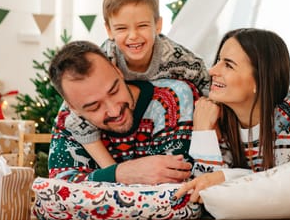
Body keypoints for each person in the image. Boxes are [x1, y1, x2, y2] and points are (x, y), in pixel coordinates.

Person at [174, 28, 290, 202]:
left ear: (259, 80)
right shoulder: (213, 114)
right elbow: (206, 194)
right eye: (218, 61)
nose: (212, 71)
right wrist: (202, 132)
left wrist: (226, 177)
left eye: (228, 65)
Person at [63, 0, 210, 169]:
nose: (133, 36)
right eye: (122, 28)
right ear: (109, 30)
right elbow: (76, 115)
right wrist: (112, 170)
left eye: (142, 26)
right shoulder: (105, 60)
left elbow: (206, 84)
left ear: (158, 25)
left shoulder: (179, 59)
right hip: (116, 136)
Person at [47, 40, 199, 184]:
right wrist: (120, 173)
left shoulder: (172, 97)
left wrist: (99, 181)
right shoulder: (70, 119)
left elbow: (179, 190)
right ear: (72, 107)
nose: (114, 111)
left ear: (117, 71)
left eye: (114, 91)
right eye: (94, 107)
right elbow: (60, 190)